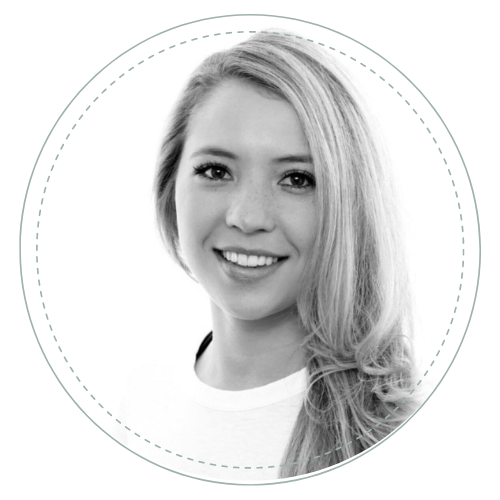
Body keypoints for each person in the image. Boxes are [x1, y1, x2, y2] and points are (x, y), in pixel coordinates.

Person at [153, 31, 419, 480]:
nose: (248, 217)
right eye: (216, 171)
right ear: (170, 189)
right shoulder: (130, 390)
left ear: (351, 205)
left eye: (297, 179)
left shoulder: (388, 430)